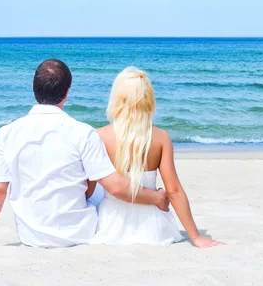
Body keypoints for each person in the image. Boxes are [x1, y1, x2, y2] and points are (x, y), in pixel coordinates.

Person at [0, 59, 169, 250]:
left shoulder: (5, 134)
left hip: (32, 236)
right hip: (78, 233)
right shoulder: (82, 132)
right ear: (67, 92)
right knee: (102, 190)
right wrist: (157, 197)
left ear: (33, 88)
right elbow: (116, 186)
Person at [91, 67, 225, 247]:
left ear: (116, 98)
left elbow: (88, 190)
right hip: (153, 227)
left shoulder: (99, 136)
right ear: (149, 100)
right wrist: (195, 236)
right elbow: (174, 190)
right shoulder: (161, 138)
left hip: (111, 225)